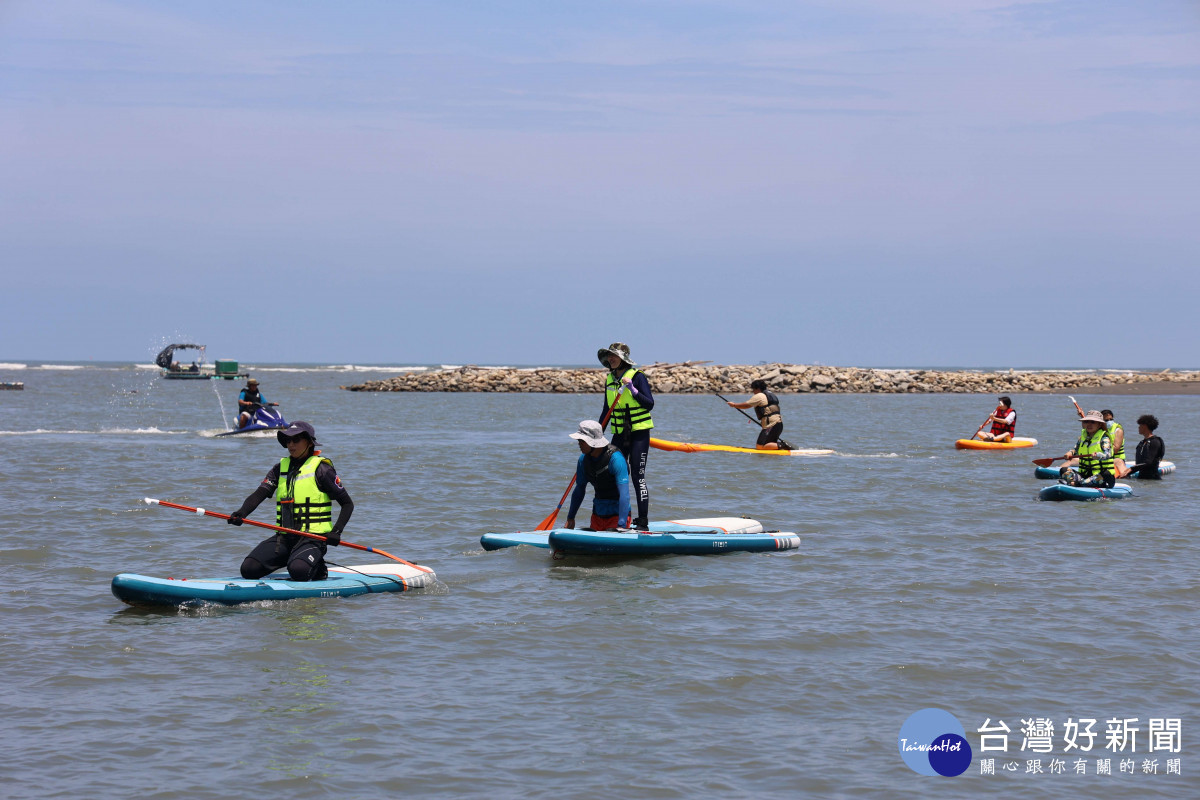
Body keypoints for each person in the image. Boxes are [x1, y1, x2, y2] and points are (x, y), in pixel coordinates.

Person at [227, 421, 353, 581]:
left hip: (313, 538)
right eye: (288, 441)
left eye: (296, 440)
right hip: (285, 537)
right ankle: (296, 558)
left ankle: (317, 567)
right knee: (248, 569)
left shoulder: (322, 469)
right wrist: (241, 513)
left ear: (308, 442)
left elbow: (348, 504)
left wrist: (336, 531)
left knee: (298, 572)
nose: (291, 445)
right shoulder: (279, 468)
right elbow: (260, 493)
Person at [598, 342, 653, 530]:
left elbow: (649, 404)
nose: (610, 359)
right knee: (616, 474)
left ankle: (643, 522)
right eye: (609, 356)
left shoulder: (637, 377)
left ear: (624, 359)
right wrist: (598, 432)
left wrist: (633, 390)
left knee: (638, 475)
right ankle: (620, 518)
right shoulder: (609, 379)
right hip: (619, 434)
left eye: (614, 356)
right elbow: (607, 409)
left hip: (638, 433)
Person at [564, 419, 631, 531]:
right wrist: (570, 518)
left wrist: (621, 525)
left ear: (592, 442)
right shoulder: (583, 461)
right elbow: (579, 489)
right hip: (597, 516)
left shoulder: (616, 460)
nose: (579, 443)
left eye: (582, 441)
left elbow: (625, 495)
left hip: (618, 516)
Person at [1058, 410, 1115, 488]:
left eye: (1093, 422)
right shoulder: (1083, 437)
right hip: (1084, 475)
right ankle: (1079, 483)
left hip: (1102, 477)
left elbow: (1108, 454)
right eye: (1087, 422)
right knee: (1063, 470)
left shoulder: (1104, 438)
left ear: (1099, 424)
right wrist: (1070, 453)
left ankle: (1076, 484)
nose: (1089, 424)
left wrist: (1098, 455)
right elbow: (1076, 450)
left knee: (1106, 474)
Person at [727, 379, 788, 450]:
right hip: (778, 424)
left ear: (757, 388)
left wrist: (734, 405)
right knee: (768, 445)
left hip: (771, 425)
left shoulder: (759, 396)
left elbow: (746, 405)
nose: (753, 392)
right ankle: (780, 447)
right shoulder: (771, 394)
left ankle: (784, 445)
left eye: (753, 389)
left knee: (760, 446)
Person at [1127, 414, 1165, 480]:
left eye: (1140, 425)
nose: (1138, 427)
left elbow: (1148, 462)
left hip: (1152, 480)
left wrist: (1131, 469)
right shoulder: (1142, 442)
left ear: (1145, 426)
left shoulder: (1155, 442)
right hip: (1141, 478)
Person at [1100, 410, 1127, 477]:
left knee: (1118, 461)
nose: (1109, 422)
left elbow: (1115, 450)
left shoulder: (1118, 430)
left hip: (1116, 459)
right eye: (1106, 420)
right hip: (1100, 459)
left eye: (1111, 419)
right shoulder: (1098, 429)